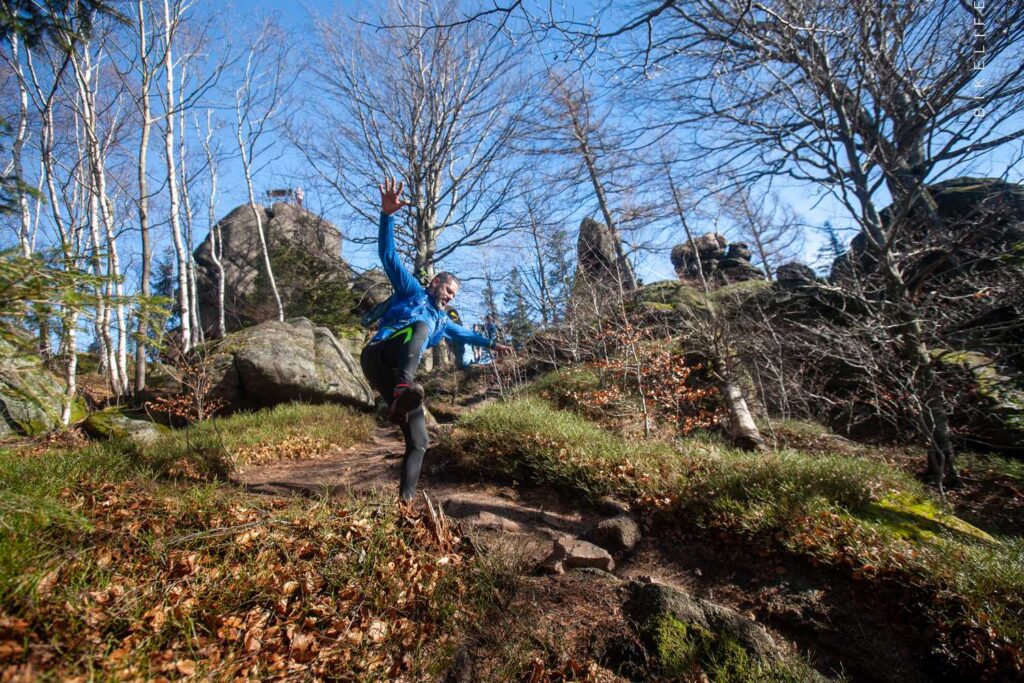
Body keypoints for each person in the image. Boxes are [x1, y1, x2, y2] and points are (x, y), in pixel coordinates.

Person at [360, 177, 510, 502]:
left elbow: (465, 334)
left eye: (454, 295)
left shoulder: (443, 321)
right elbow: (388, 255)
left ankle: (405, 503)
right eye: (448, 290)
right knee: (420, 328)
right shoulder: (412, 291)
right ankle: (403, 388)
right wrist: (387, 216)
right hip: (378, 353)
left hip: (395, 377)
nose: (450, 297)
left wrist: (492, 345)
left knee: (420, 440)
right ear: (435, 284)